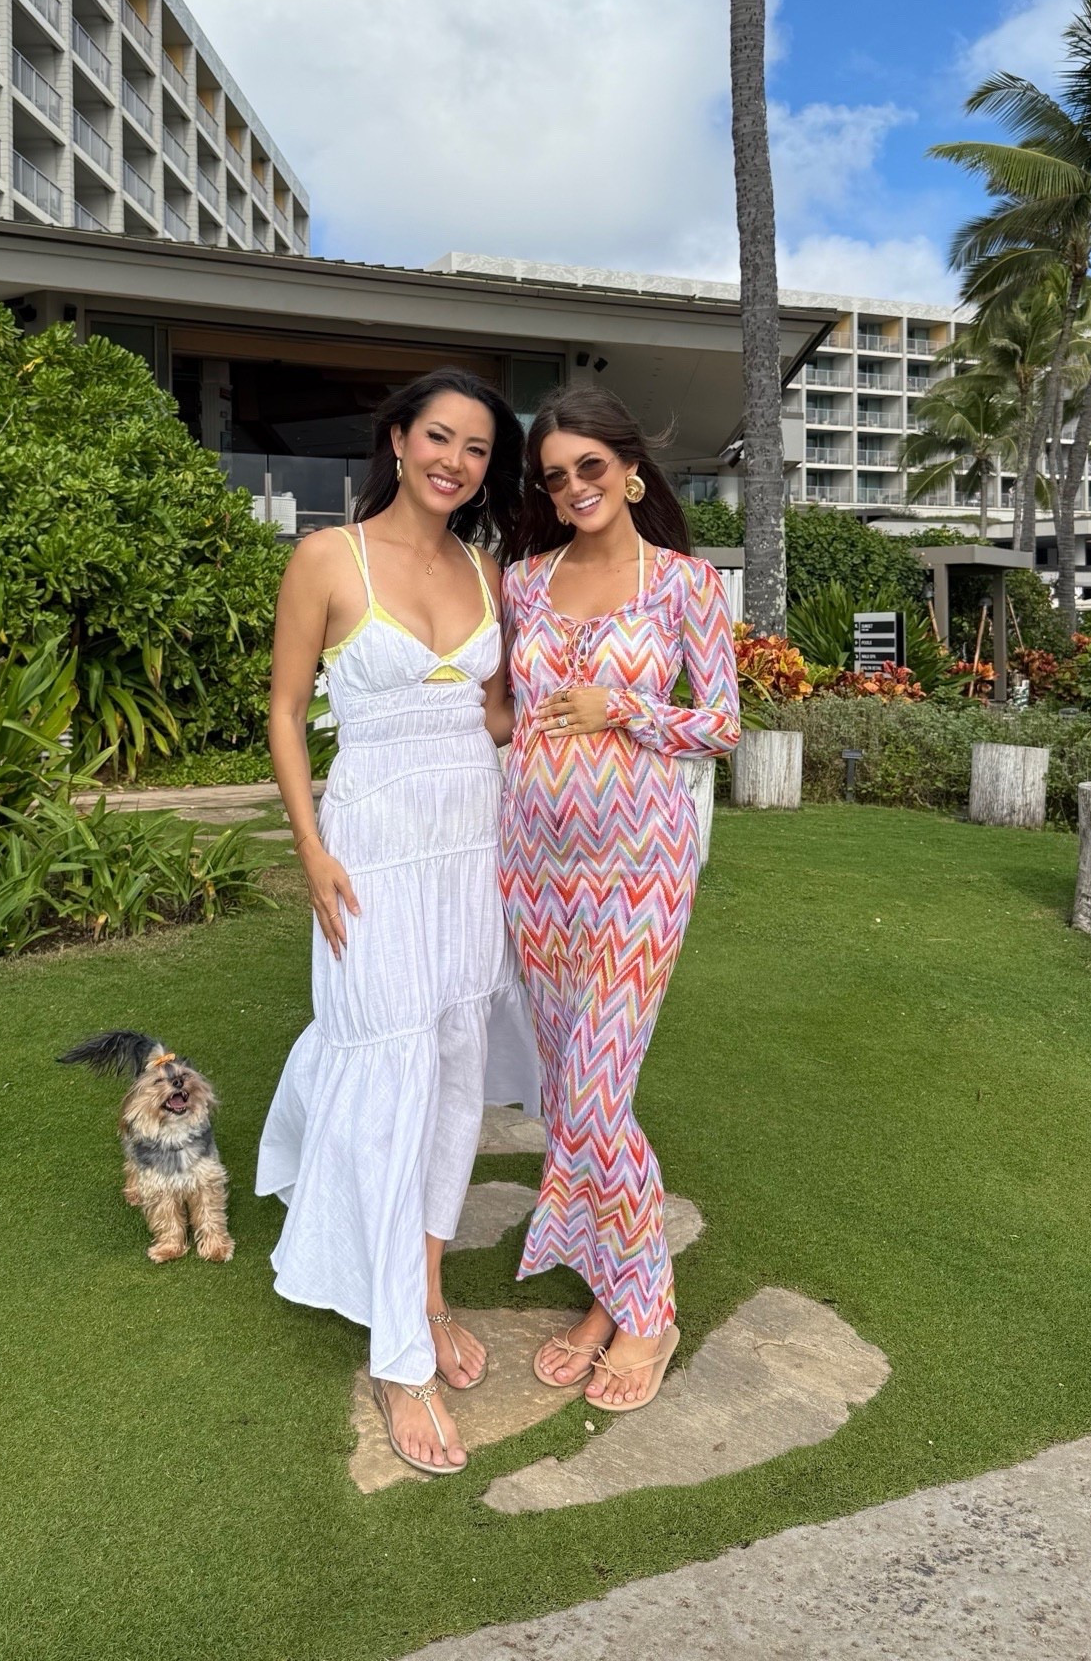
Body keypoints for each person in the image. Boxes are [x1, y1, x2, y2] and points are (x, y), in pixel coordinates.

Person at [257, 369, 538, 1476]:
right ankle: (398, 1355)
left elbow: (496, 712)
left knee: (456, 1074)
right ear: (398, 438)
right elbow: (283, 707)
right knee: (387, 1075)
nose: (456, 460)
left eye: (476, 447)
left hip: (470, 853)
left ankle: (423, 1286)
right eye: (440, 436)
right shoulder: (328, 558)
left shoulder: (488, 569)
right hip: (369, 853)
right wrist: (311, 850)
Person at [499, 385, 742, 1412]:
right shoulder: (520, 581)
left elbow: (723, 724)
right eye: (555, 475)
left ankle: (648, 1309)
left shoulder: (686, 584)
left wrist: (623, 707)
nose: (574, 487)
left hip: (640, 863)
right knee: (567, 1097)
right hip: (534, 864)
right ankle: (604, 1289)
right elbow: (498, 709)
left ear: (632, 469)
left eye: (591, 465)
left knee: (598, 1093)